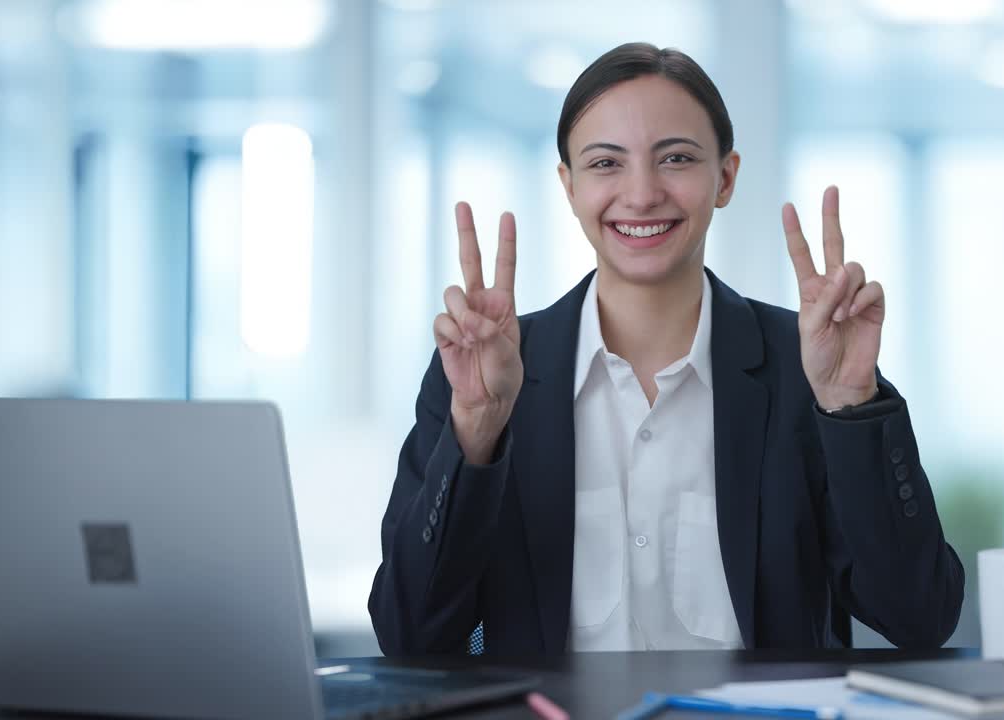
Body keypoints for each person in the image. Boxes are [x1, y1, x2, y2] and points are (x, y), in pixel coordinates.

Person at [369, 42, 963, 656]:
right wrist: (477, 431)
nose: (643, 193)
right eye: (605, 164)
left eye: (675, 158)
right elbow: (410, 634)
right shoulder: (484, 379)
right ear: (568, 186)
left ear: (725, 177)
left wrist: (849, 406)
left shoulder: (809, 370)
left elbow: (919, 617)